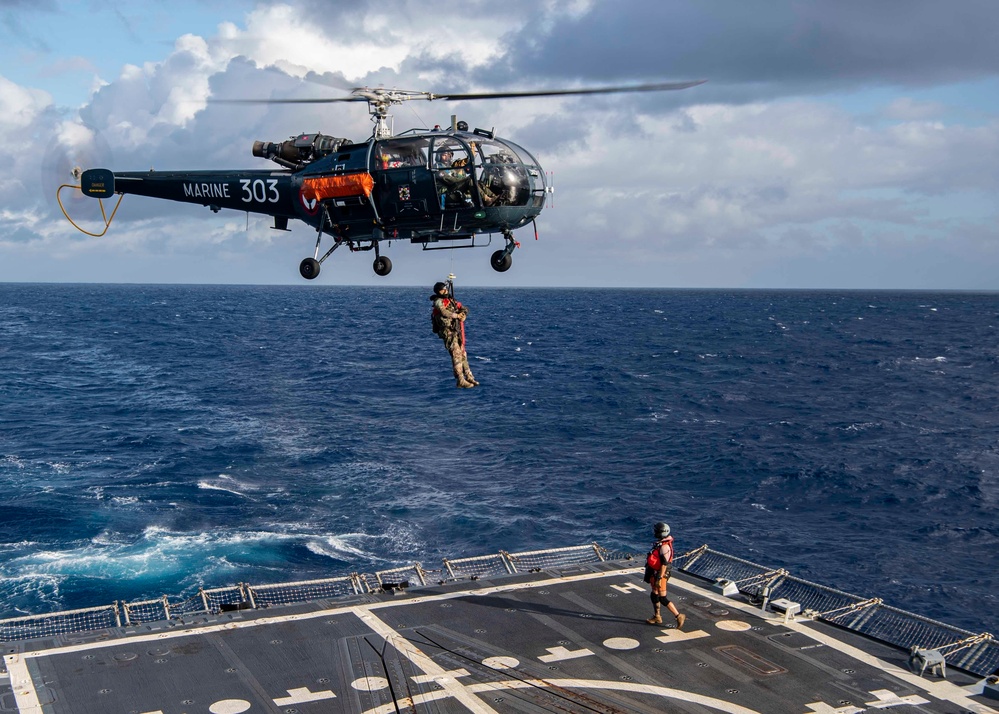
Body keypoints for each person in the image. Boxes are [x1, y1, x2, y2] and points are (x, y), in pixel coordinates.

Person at [430, 281, 478, 388]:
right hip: (448, 333)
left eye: (446, 289)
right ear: (438, 291)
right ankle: (460, 379)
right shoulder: (438, 302)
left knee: (462, 354)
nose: (445, 291)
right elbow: (443, 312)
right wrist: (456, 316)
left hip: (456, 331)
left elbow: (463, 308)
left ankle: (469, 376)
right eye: (443, 290)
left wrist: (463, 314)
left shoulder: (451, 301)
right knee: (456, 354)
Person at [643, 522, 686, 629]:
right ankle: (657, 616)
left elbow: (664, 564)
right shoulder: (661, 544)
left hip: (660, 574)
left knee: (662, 598)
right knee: (654, 594)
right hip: (655, 573)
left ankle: (678, 616)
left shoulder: (664, 547)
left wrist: (659, 578)